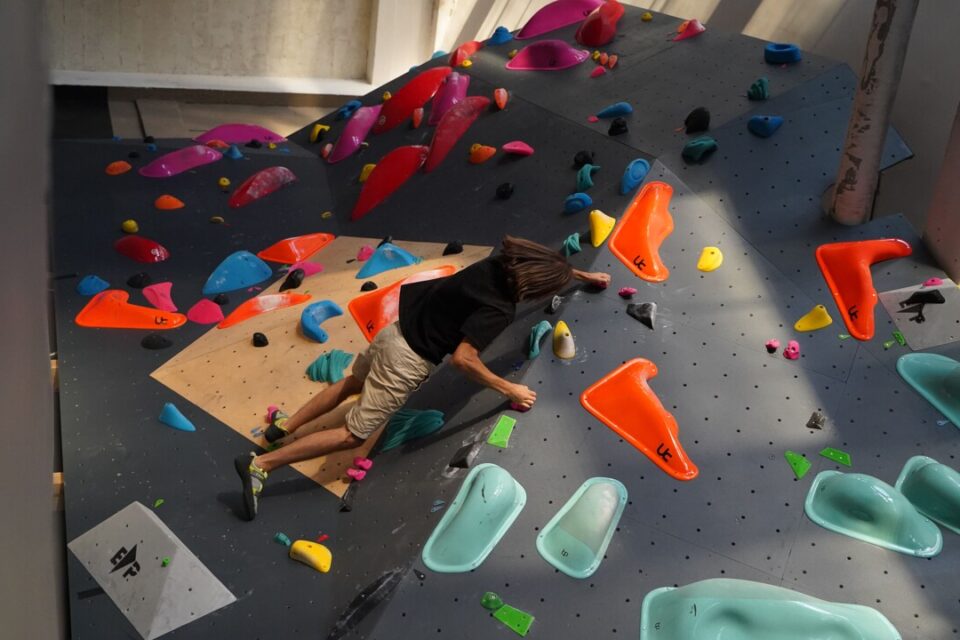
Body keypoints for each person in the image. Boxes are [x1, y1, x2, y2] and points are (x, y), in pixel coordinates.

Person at [234, 236, 611, 520]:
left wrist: (580, 274)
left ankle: (284, 427)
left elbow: (540, 262)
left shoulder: (498, 264)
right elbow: (464, 359)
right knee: (354, 434)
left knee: (352, 383)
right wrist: (507, 386)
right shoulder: (498, 310)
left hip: (393, 333)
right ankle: (261, 466)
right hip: (408, 360)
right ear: (537, 282)